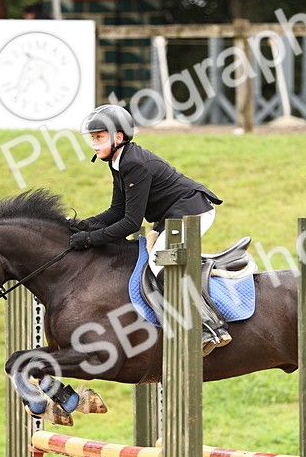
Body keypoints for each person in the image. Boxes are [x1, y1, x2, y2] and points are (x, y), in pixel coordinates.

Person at [71, 104, 230, 352]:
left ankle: (210, 327)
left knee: (159, 261)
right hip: (173, 216)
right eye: (93, 138)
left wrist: (89, 240)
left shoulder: (134, 163)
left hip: (193, 212)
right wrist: (79, 226)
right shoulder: (118, 163)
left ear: (118, 137)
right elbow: (116, 211)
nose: (94, 143)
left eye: (99, 137)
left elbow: (130, 223)